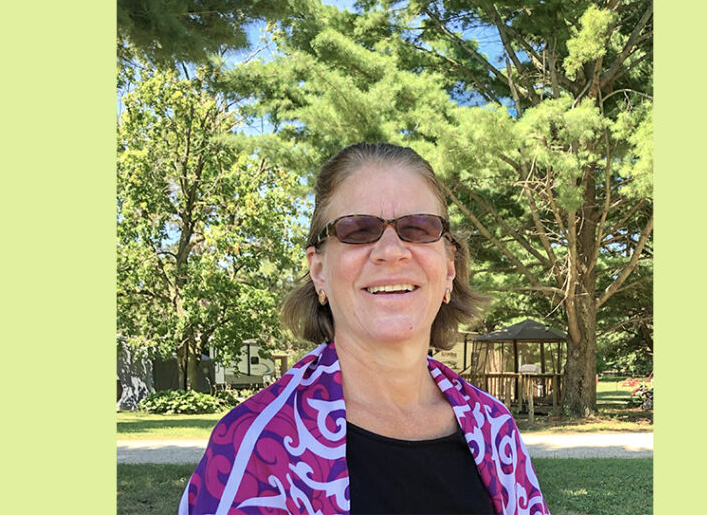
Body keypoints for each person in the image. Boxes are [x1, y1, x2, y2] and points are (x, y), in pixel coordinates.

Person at [179, 142, 549, 515]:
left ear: (449, 268)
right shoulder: (256, 447)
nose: (391, 250)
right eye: (358, 229)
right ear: (319, 271)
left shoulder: (494, 428)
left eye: (418, 227)